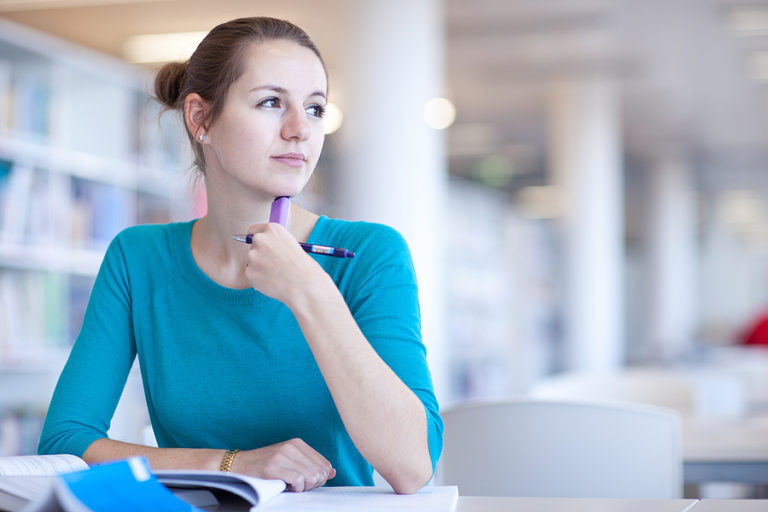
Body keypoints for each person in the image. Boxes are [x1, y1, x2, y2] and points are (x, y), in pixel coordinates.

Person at [38, 16, 443, 495]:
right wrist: (233, 464)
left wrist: (311, 292)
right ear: (200, 119)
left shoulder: (370, 253)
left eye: (315, 109)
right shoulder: (137, 258)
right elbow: (65, 443)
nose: (300, 130)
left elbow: (413, 466)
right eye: (271, 103)